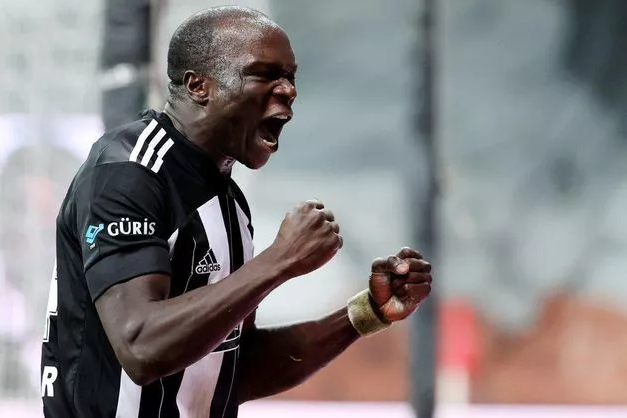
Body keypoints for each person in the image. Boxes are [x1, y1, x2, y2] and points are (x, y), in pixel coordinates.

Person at [40, 6, 433, 418]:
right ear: (199, 86)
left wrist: (366, 312)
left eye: (291, 77)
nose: (288, 91)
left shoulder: (229, 201)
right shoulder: (128, 172)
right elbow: (140, 347)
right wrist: (280, 260)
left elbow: (233, 370)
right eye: (265, 74)